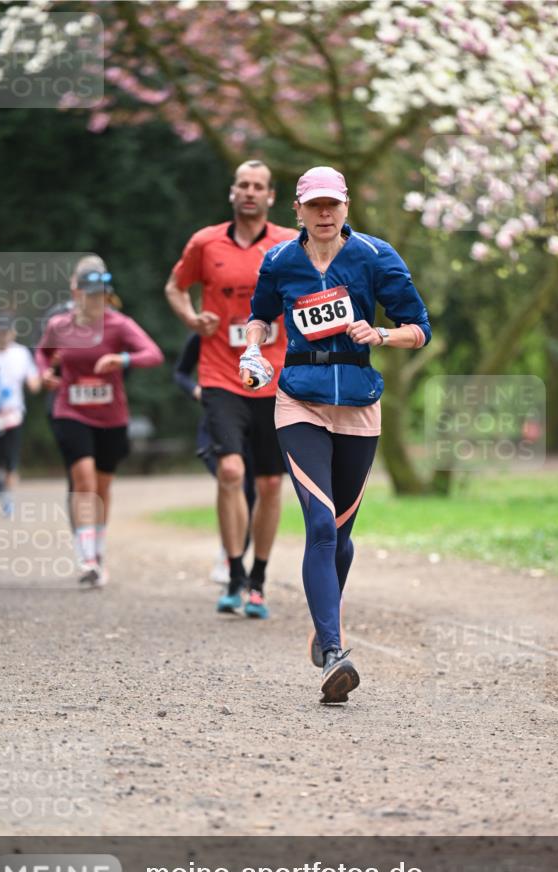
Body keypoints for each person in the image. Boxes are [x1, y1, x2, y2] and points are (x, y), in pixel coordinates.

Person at [240, 166, 431, 704]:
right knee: (320, 523)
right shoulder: (279, 261)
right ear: (297, 211)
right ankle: (333, 651)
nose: (324, 214)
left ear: (346, 207)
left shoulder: (374, 256)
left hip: (359, 406)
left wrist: (383, 334)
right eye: (314, 205)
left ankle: (325, 627)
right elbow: (259, 317)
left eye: (333, 205)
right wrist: (253, 347)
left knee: (341, 536)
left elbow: (420, 327)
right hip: (299, 399)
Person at [166, 160, 297, 618]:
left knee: (270, 482)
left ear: (271, 197)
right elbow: (175, 287)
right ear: (232, 192)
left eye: (259, 186)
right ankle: (235, 573)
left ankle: (259, 581)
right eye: (243, 184)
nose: (250, 192)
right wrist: (189, 318)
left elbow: (316, 286)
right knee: (230, 473)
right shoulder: (206, 242)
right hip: (222, 375)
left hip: (277, 378)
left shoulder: (287, 243)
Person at [37, 258, 163, 587]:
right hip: (70, 410)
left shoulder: (119, 324)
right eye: (89, 294)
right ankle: (87, 557)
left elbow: (153, 353)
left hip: (111, 415)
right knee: (84, 479)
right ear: (76, 293)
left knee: (102, 486)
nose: (95, 300)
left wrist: (122, 358)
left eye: (100, 294)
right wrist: (44, 374)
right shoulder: (60, 325)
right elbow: (41, 352)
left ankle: (98, 548)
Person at [173, 331, 256, 584]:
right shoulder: (204, 334)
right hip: (218, 420)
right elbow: (180, 372)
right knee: (232, 479)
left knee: (252, 493)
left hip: (257, 417)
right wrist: (196, 391)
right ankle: (231, 558)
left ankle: (234, 556)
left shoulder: (268, 323)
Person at [0, 313, 41, 516]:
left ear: (13, 333)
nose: (3, 335)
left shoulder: (21, 353)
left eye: (6, 331)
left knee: (11, 458)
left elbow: (33, 380)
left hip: (13, 413)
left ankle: (8, 497)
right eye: (0, 331)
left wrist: (39, 381)